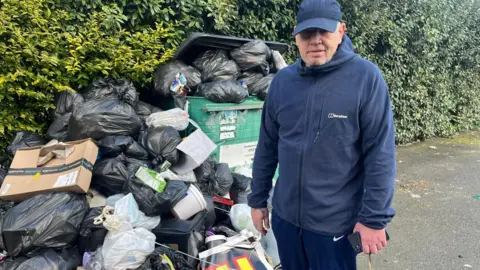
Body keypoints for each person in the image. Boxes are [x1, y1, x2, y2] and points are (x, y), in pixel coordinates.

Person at [247, 0, 396, 269]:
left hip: (335, 227)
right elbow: (267, 146)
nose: (315, 41)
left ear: (341, 30)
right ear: (295, 35)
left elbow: (380, 154)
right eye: (307, 33)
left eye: (324, 32)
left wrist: (374, 220)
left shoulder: (366, 78)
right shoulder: (283, 82)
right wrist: (257, 201)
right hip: (286, 221)